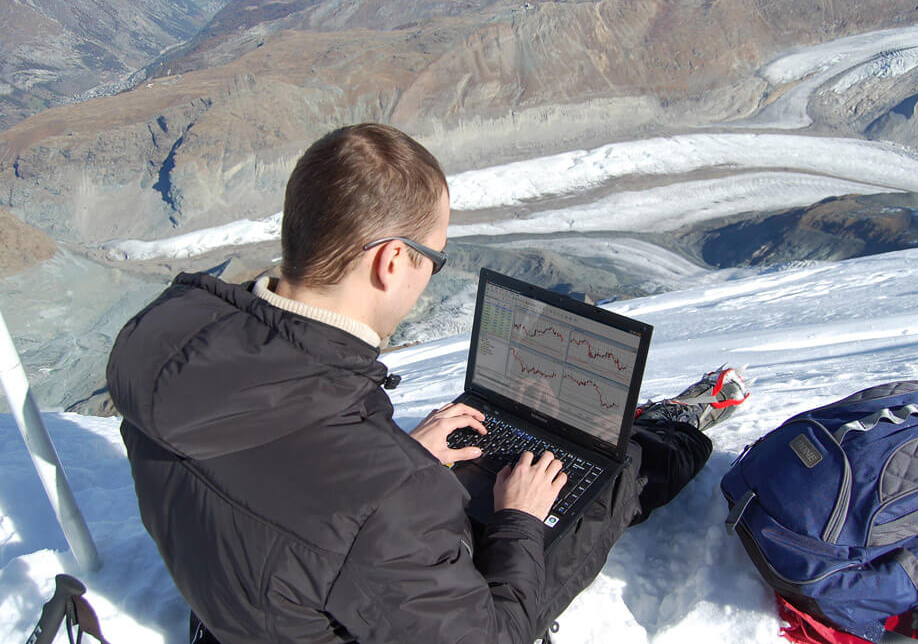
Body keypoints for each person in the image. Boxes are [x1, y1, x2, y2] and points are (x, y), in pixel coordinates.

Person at [107, 123, 747, 644]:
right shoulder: (391, 499)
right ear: (392, 261)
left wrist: (397, 458)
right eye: (433, 259)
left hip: (241, 606)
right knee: (614, 478)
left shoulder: (161, 339)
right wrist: (518, 520)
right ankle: (671, 435)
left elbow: (286, 478)